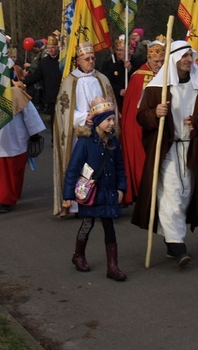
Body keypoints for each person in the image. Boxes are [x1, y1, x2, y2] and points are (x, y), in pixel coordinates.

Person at [131, 40, 198, 267]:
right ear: (174, 59)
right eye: (184, 56)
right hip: (166, 148)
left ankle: (170, 239)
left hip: (190, 148)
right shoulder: (158, 87)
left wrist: (197, 121)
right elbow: (141, 116)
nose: (188, 60)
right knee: (173, 194)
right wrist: (155, 112)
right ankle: (178, 246)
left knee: (185, 194)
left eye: (190, 56)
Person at [62, 97, 127, 281]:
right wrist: (68, 195)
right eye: (108, 120)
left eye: (113, 119)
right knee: (87, 223)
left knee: (109, 227)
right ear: (98, 121)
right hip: (91, 192)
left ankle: (112, 267)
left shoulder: (114, 142)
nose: (112, 123)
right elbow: (73, 169)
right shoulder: (85, 142)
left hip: (108, 191)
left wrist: (121, 188)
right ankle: (78, 254)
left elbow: (120, 167)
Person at [53, 42, 117, 217]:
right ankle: (73, 202)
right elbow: (63, 110)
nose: (91, 61)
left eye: (92, 58)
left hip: (101, 132)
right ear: (78, 61)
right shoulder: (69, 81)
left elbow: (112, 104)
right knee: (78, 166)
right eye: (86, 59)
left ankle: (98, 200)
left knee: (99, 166)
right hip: (78, 132)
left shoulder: (102, 79)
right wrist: (84, 118)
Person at [120, 37, 165, 206]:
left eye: (162, 61)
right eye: (156, 61)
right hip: (142, 127)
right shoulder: (138, 77)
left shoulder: (168, 74)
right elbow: (132, 109)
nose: (159, 65)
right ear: (148, 58)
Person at [0, 84, 45, 213]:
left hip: (16, 138)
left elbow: (29, 113)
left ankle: (10, 197)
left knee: (15, 171)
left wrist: (34, 134)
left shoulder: (17, 93)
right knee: (1, 173)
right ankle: (4, 200)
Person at [21, 34, 61, 142]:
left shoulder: (63, 60)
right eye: (49, 48)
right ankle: (55, 140)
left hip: (63, 94)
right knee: (54, 119)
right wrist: (23, 83)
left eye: (53, 48)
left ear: (57, 47)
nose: (51, 50)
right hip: (52, 95)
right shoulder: (44, 62)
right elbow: (37, 76)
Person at [99, 36, 131, 111]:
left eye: (122, 50)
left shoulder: (136, 62)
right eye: (117, 50)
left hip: (131, 100)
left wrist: (130, 69)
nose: (119, 53)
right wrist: (119, 90)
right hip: (115, 101)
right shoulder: (108, 64)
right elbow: (105, 82)